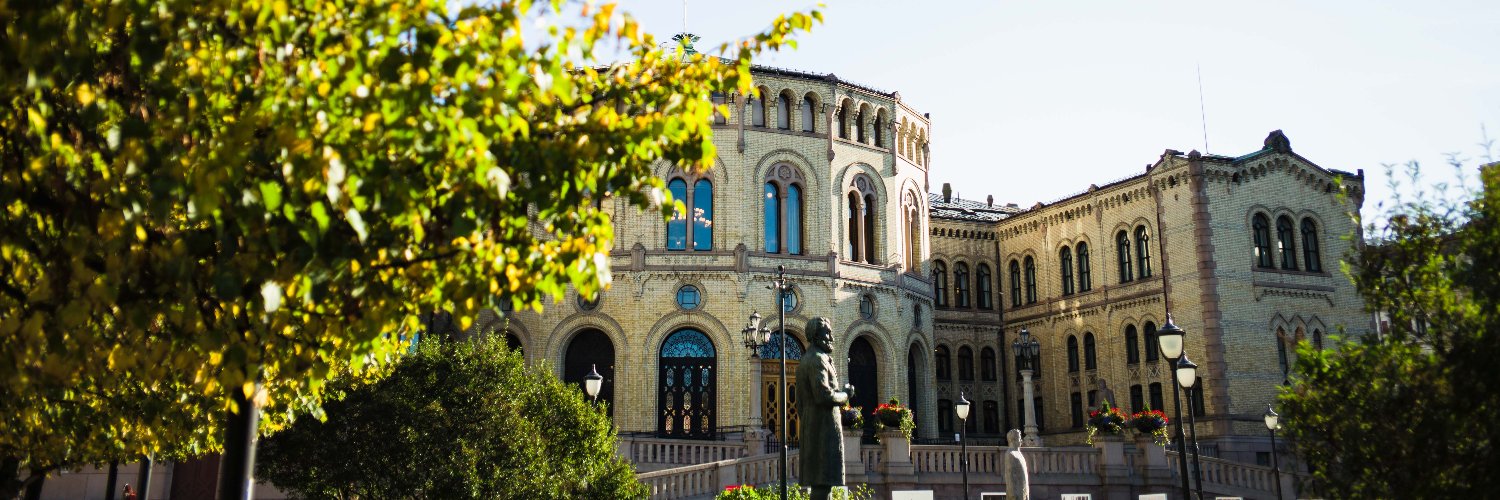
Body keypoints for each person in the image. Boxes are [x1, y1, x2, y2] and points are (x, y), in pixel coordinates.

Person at [795, 317, 854, 500]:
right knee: (822, 483)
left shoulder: (808, 359)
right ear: (816, 335)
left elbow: (799, 404)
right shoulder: (817, 359)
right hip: (823, 429)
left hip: (814, 426)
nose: (831, 338)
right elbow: (824, 396)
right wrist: (845, 394)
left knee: (823, 485)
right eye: (827, 333)